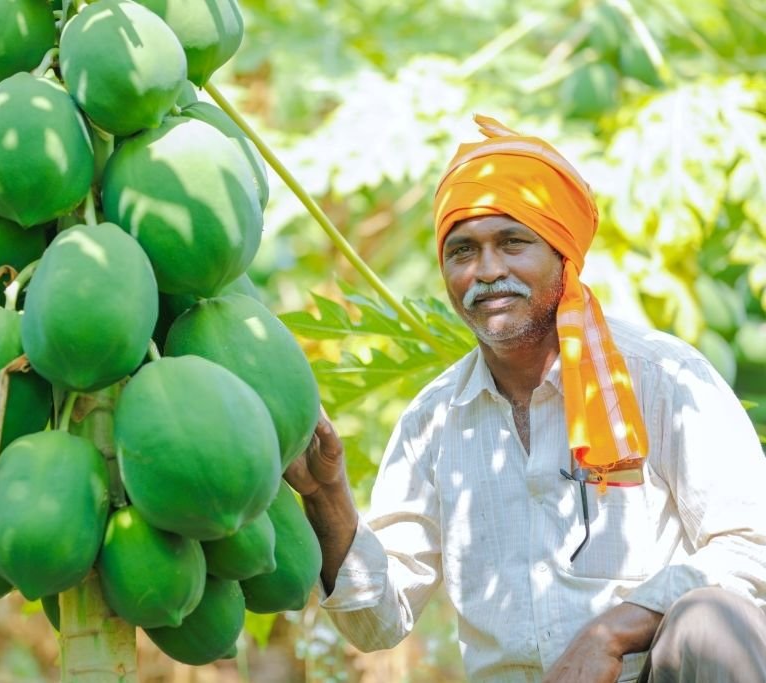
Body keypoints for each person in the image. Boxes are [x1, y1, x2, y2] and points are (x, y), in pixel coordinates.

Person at [285, 115, 766, 682]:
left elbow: (753, 549)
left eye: (513, 243)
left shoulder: (664, 379)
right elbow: (377, 624)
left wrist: (611, 631)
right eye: (462, 251)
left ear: (563, 255)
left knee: (708, 621)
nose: (487, 272)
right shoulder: (433, 422)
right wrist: (326, 495)